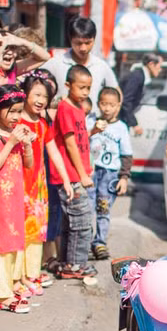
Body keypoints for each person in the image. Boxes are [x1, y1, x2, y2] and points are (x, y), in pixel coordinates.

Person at [0, 85, 34, 312]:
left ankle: (12, 284)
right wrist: (12, 142)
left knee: (14, 240)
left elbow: (29, 164)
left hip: (15, 194)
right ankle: (0, 294)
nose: (15, 116)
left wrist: (28, 144)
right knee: (0, 242)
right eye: (10, 111)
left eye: (19, 111)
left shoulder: (16, 133)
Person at [18, 70, 70, 294]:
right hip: (20, 181)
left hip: (38, 184)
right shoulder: (17, 120)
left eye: (45, 97)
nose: (40, 101)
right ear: (25, 94)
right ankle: (18, 277)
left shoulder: (41, 124)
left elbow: (54, 153)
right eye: (36, 94)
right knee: (19, 231)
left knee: (36, 230)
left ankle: (31, 273)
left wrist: (66, 179)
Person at [52, 64, 98, 285]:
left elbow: (80, 139)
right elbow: (70, 145)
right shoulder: (65, 108)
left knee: (74, 221)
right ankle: (75, 264)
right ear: (68, 85)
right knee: (81, 221)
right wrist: (82, 175)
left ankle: (69, 262)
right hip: (70, 176)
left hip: (77, 174)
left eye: (89, 88)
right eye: (82, 87)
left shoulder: (78, 107)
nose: (86, 93)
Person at [89, 86, 134, 260]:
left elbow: (127, 154)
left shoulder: (121, 127)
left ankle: (100, 242)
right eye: (104, 104)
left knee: (103, 208)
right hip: (91, 171)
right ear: (98, 104)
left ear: (118, 106)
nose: (107, 108)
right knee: (88, 207)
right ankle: (85, 241)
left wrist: (123, 178)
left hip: (110, 174)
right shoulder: (91, 120)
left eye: (111, 105)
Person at [44, 15, 118, 103]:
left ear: (94, 40)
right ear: (70, 40)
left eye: (88, 43)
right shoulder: (55, 64)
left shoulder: (101, 66)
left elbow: (116, 92)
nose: (83, 48)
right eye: (78, 43)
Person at [119, 53, 163, 135]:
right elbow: (126, 100)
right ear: (151, 64)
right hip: (119, 119)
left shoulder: (141, 76)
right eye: (159, 66)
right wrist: (134, 124)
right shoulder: (137, 76)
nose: (160, 70)